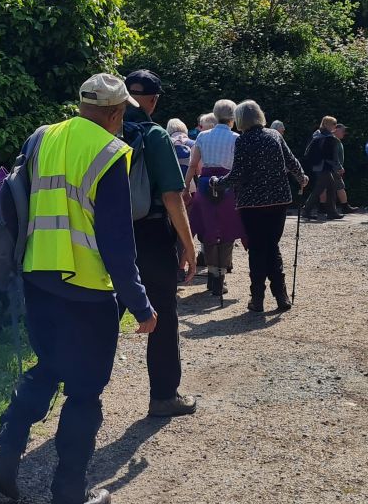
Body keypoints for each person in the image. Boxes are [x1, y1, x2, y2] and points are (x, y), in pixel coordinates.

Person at [0, 73, 157, 504]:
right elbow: (117, 240)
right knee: (84, 392)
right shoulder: (111, 152)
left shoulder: (41, 138)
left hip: (37, 277)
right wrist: (140, 303)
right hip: (87, 290)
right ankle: (67, 498)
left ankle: (4, 449)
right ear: (116, 114)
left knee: (52, 365)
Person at [124, 70, 200, 418]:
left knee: (101, 315)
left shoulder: (97, 132)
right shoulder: (154, 135)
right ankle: (164, 396)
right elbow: (173, 195)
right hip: (151, 236)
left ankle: (83, 395)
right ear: (153, 100)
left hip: (103, 235)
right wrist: (187, 243)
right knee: (163, 314)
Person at [212, 100, 308, 313]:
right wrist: (301, 178)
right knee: (272, 246)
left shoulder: (244, 141)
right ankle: (281, 295)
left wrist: (218, 183)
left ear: (240, 120)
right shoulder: (275, 135)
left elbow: (237, 175)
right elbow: (291, 161)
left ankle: (258, 298)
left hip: (252, 204)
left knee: (257, 248)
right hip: (278, 200)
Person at [186, 99, 246, 299]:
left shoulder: (202, 136)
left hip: (204, 185)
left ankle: (212, 277)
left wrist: (186, 188)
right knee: (228, 233)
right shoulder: (237, 138)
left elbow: (193, 164)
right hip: (228, 186)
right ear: (233, 118)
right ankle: (221, 279)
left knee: (208, 230)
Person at [301, 115, 343, 221]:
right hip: (324, 167)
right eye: (333, 124)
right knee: (320, 189)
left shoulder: (317, 134)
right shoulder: (329, 137)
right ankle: (307, 211)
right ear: (327, 124)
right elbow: (332, 156)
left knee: (329, 187)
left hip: (318, 166)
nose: (335, 126)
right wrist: (338, 167)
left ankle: (331, 212)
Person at [329, 124, 356, 211]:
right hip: (334, 169)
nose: (344, 133)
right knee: (340, 187)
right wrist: (339, 167)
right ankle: (345, 207)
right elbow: (334, 156)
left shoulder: (336, 140)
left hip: (332, 168)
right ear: (336, 130)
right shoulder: (334, 141)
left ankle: (322, 207)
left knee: (325, 188)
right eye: (342, 130)